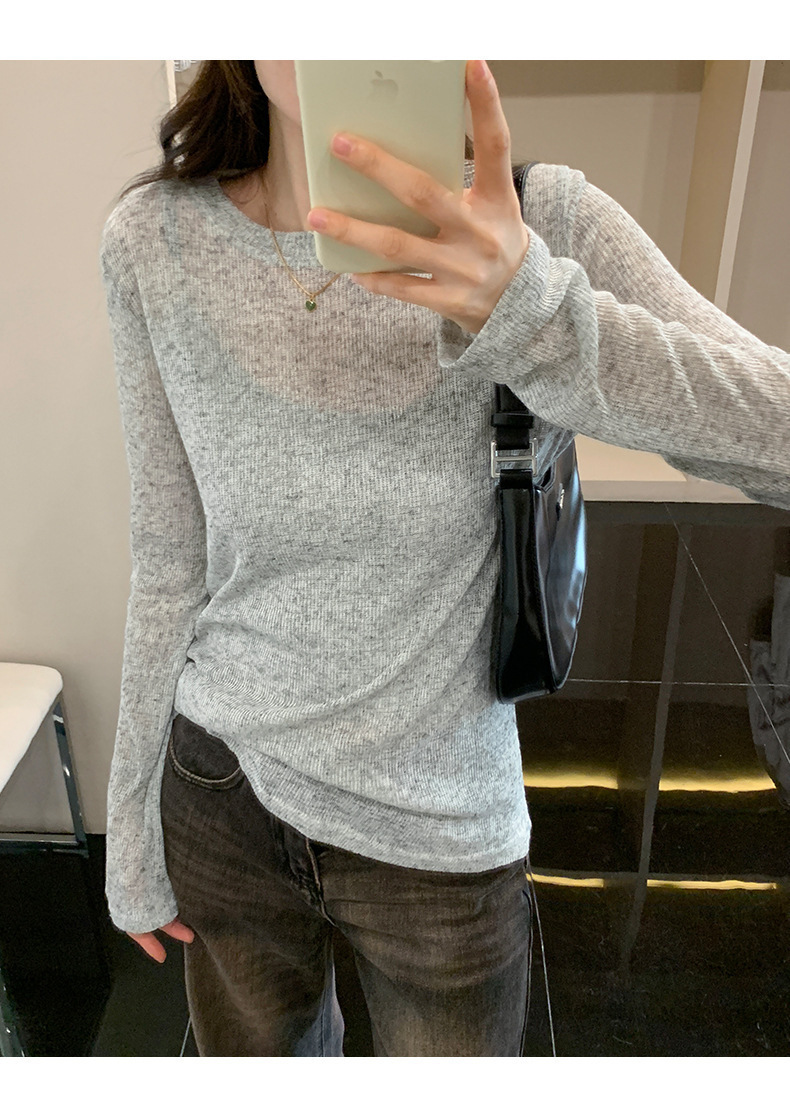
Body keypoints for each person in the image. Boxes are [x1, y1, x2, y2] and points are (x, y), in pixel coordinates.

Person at [98, 59, 790, 1057]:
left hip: (438, 832)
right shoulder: (153, 243)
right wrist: (131, 826)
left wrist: (532, 316)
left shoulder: (538, 219)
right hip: (220, 796)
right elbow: (169, 554)